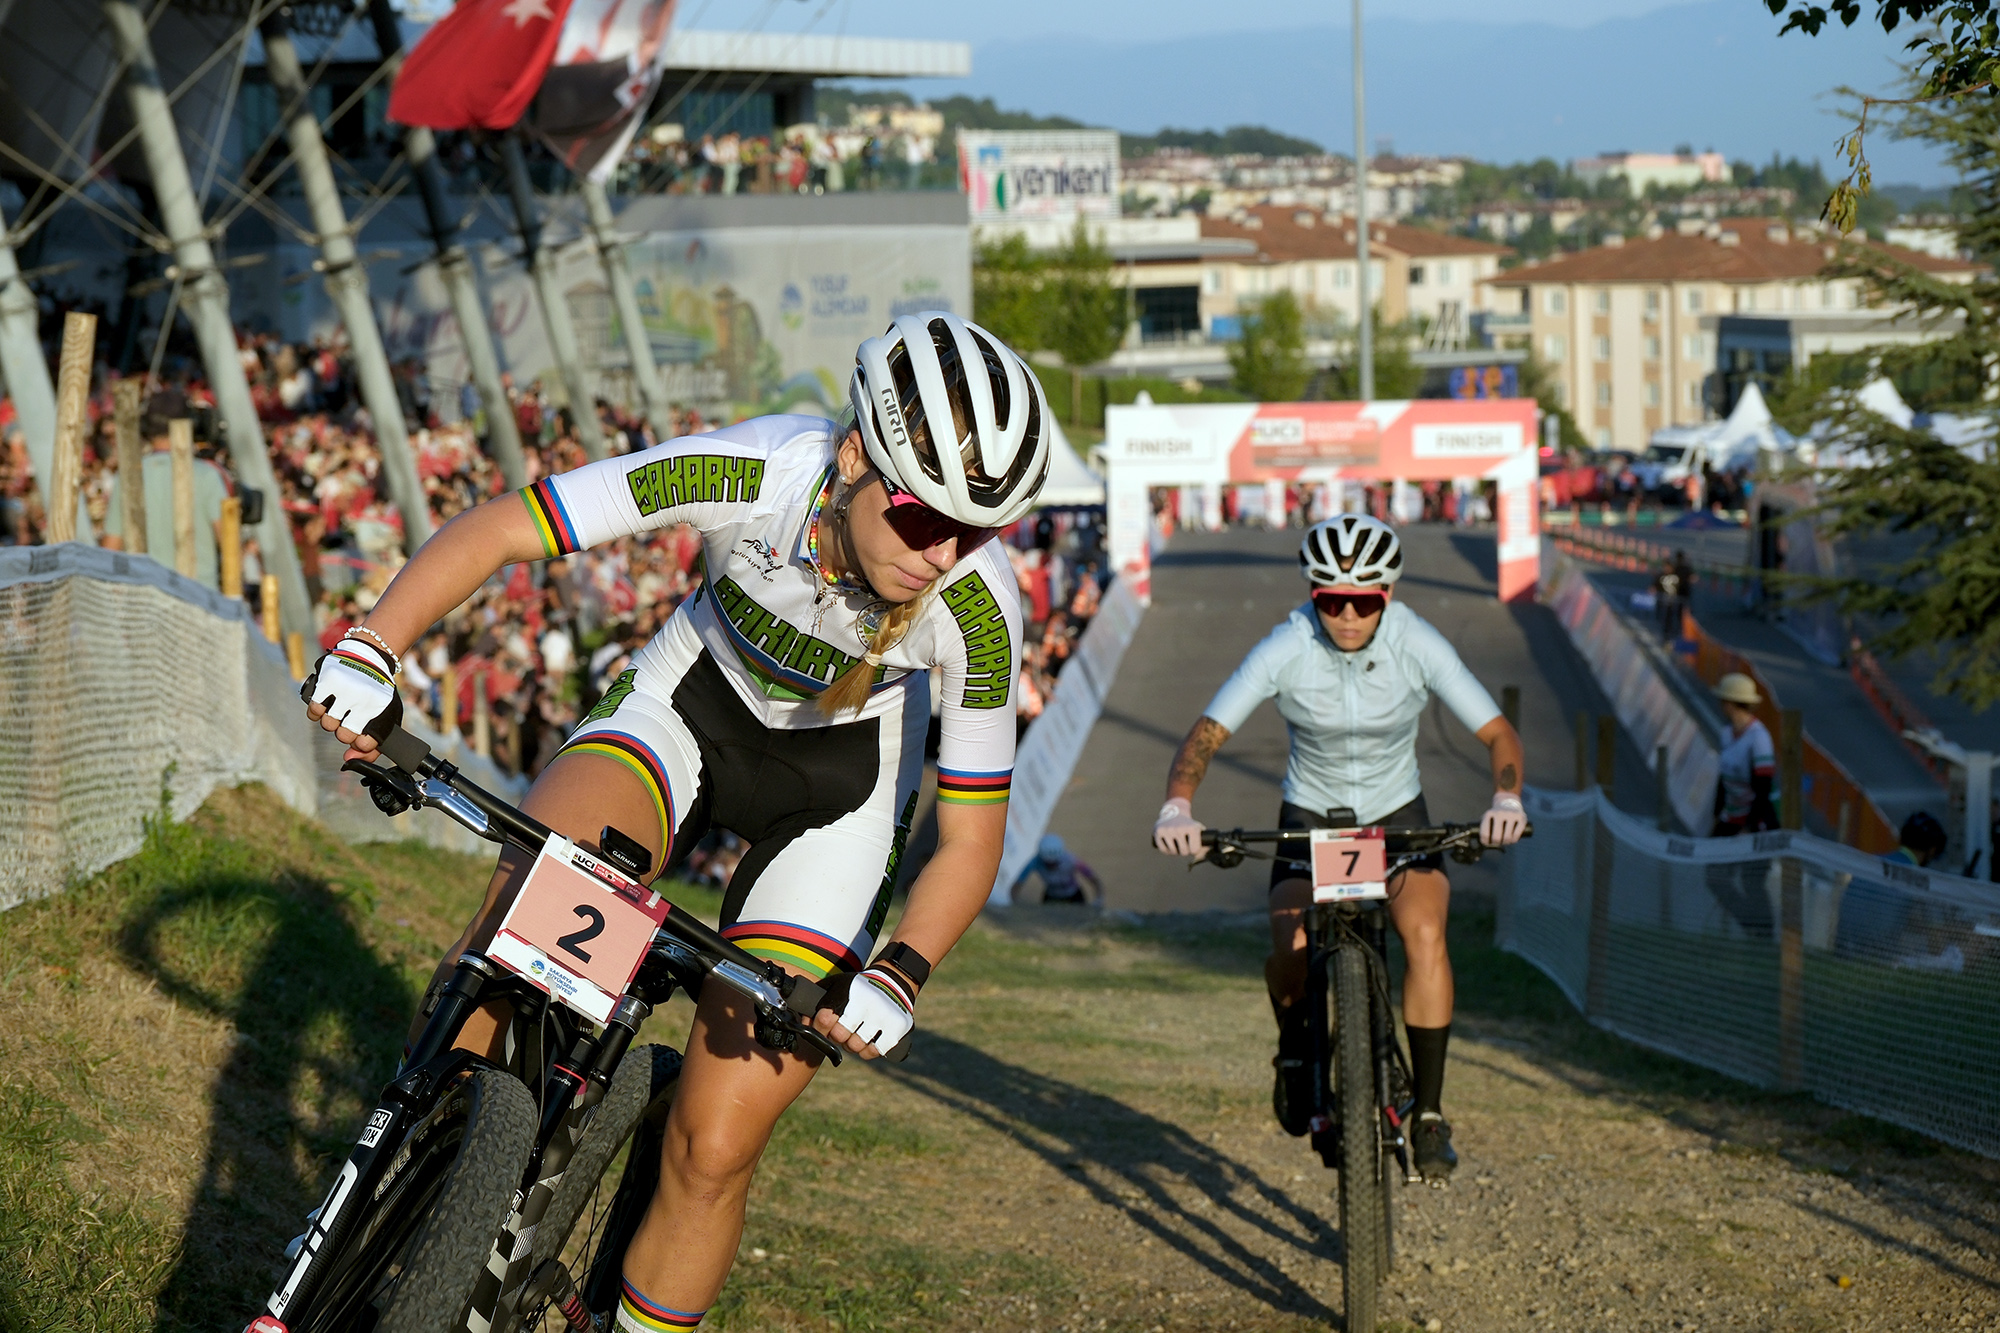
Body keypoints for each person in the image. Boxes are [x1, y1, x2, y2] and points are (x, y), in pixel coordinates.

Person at [301, 312, 1051, 1333]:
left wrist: (900, 970)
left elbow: (969, 836)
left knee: (713, 1142)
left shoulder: (978, 608)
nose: (944, 553)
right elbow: (514, 524)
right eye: (924, 518)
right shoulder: (753, 469)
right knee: (508, 942)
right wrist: (373, 643)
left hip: (835, 801)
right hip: (680, 718)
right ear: (850, 458)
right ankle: (420, 1194)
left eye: (978, 530)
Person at [1150, 514, 1527, 1182]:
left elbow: (1497, 732)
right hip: (1310, 819)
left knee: (1426, 933)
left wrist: (1505, 799)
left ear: (1388, 595)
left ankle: (1431, 1112)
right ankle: (1295, 1043)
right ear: (1313, 596)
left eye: (1364, 601)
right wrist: (1179, 805)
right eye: (1330, 601)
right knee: (1290, 949)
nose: (1347, 615)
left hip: (1398, 817)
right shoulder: (1287, 644)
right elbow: (1206, 733)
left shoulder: (1417, 641)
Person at [100, 412, 232, 588]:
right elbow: (230, 545)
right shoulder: (207, 475)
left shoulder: (128, 477)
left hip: (146, 600)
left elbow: (110, 551)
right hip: (200, 599)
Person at [1013, 832, 1101, 905]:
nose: (1051, 865)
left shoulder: (1071, 860)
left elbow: (1092, 878)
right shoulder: (1034, 862)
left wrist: (1099, 898)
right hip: (1051, 896)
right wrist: (1014, 901)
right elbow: (1018, 883)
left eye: (1054, 862)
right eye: (1047, 862)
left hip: (1073, 895)